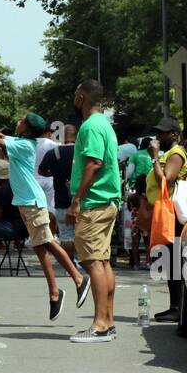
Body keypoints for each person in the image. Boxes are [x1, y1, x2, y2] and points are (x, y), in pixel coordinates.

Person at [0, 112, 89, 317]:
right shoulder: (21, 140)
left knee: (49, 242)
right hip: (26, 203)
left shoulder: (24, 145)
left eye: (21, 121)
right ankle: (55, 292)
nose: (17, 122)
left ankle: (79, 279)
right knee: (41, 247)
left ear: (25, 129)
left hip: (32, 202)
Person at [67, 81, 122, 342]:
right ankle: (108, 321)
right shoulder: (104, 125)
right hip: (107, 201)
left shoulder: (90, 126)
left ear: (81, 97)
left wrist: (76, 200)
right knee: (102, 261)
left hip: (94, 203)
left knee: (92, 262)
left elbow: (94, 164)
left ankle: (100, 324)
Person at [147, 117, 187, 322]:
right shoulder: (170, 153)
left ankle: (178, 308)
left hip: (173, 213)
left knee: (173, 260)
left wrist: (155, 157)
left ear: (174, 135)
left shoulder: (176, 154)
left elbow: (165, 178)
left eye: (162, 133)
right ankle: (175, 306)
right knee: (169, 260)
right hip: (165, 211)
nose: (158, 137)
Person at [39, 122, 77, 258]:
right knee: (83, 234)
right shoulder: (82, 152)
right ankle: (84, 264)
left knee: (66, 235)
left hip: (61, 200)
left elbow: (41, 171)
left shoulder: (53, 153)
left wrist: (53, 174)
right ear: (76, 136)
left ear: (61, 136)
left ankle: (69, 265)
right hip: (81, 201)